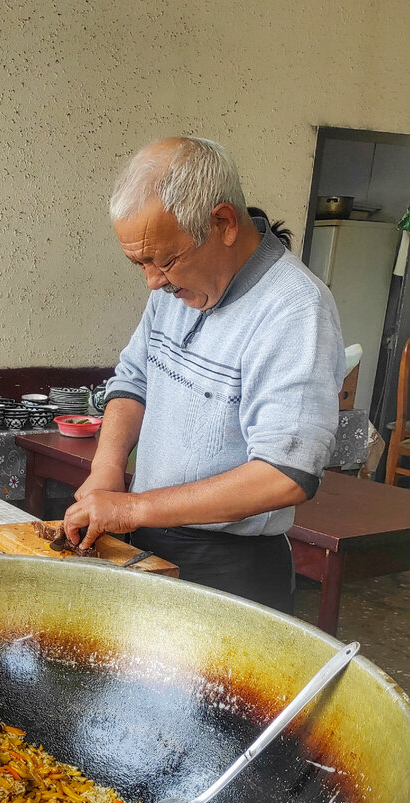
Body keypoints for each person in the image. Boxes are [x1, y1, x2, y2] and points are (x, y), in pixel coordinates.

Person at [62, 137, 344, 613]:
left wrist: (131, 507)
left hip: (232, 569)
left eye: (164, 261)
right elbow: (133, 379)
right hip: (146, 539)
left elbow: (285, 474)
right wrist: (107, 467)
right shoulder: (175, 285)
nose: (152, 281)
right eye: (141, 263)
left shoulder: (295, 310)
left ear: (223, 223)